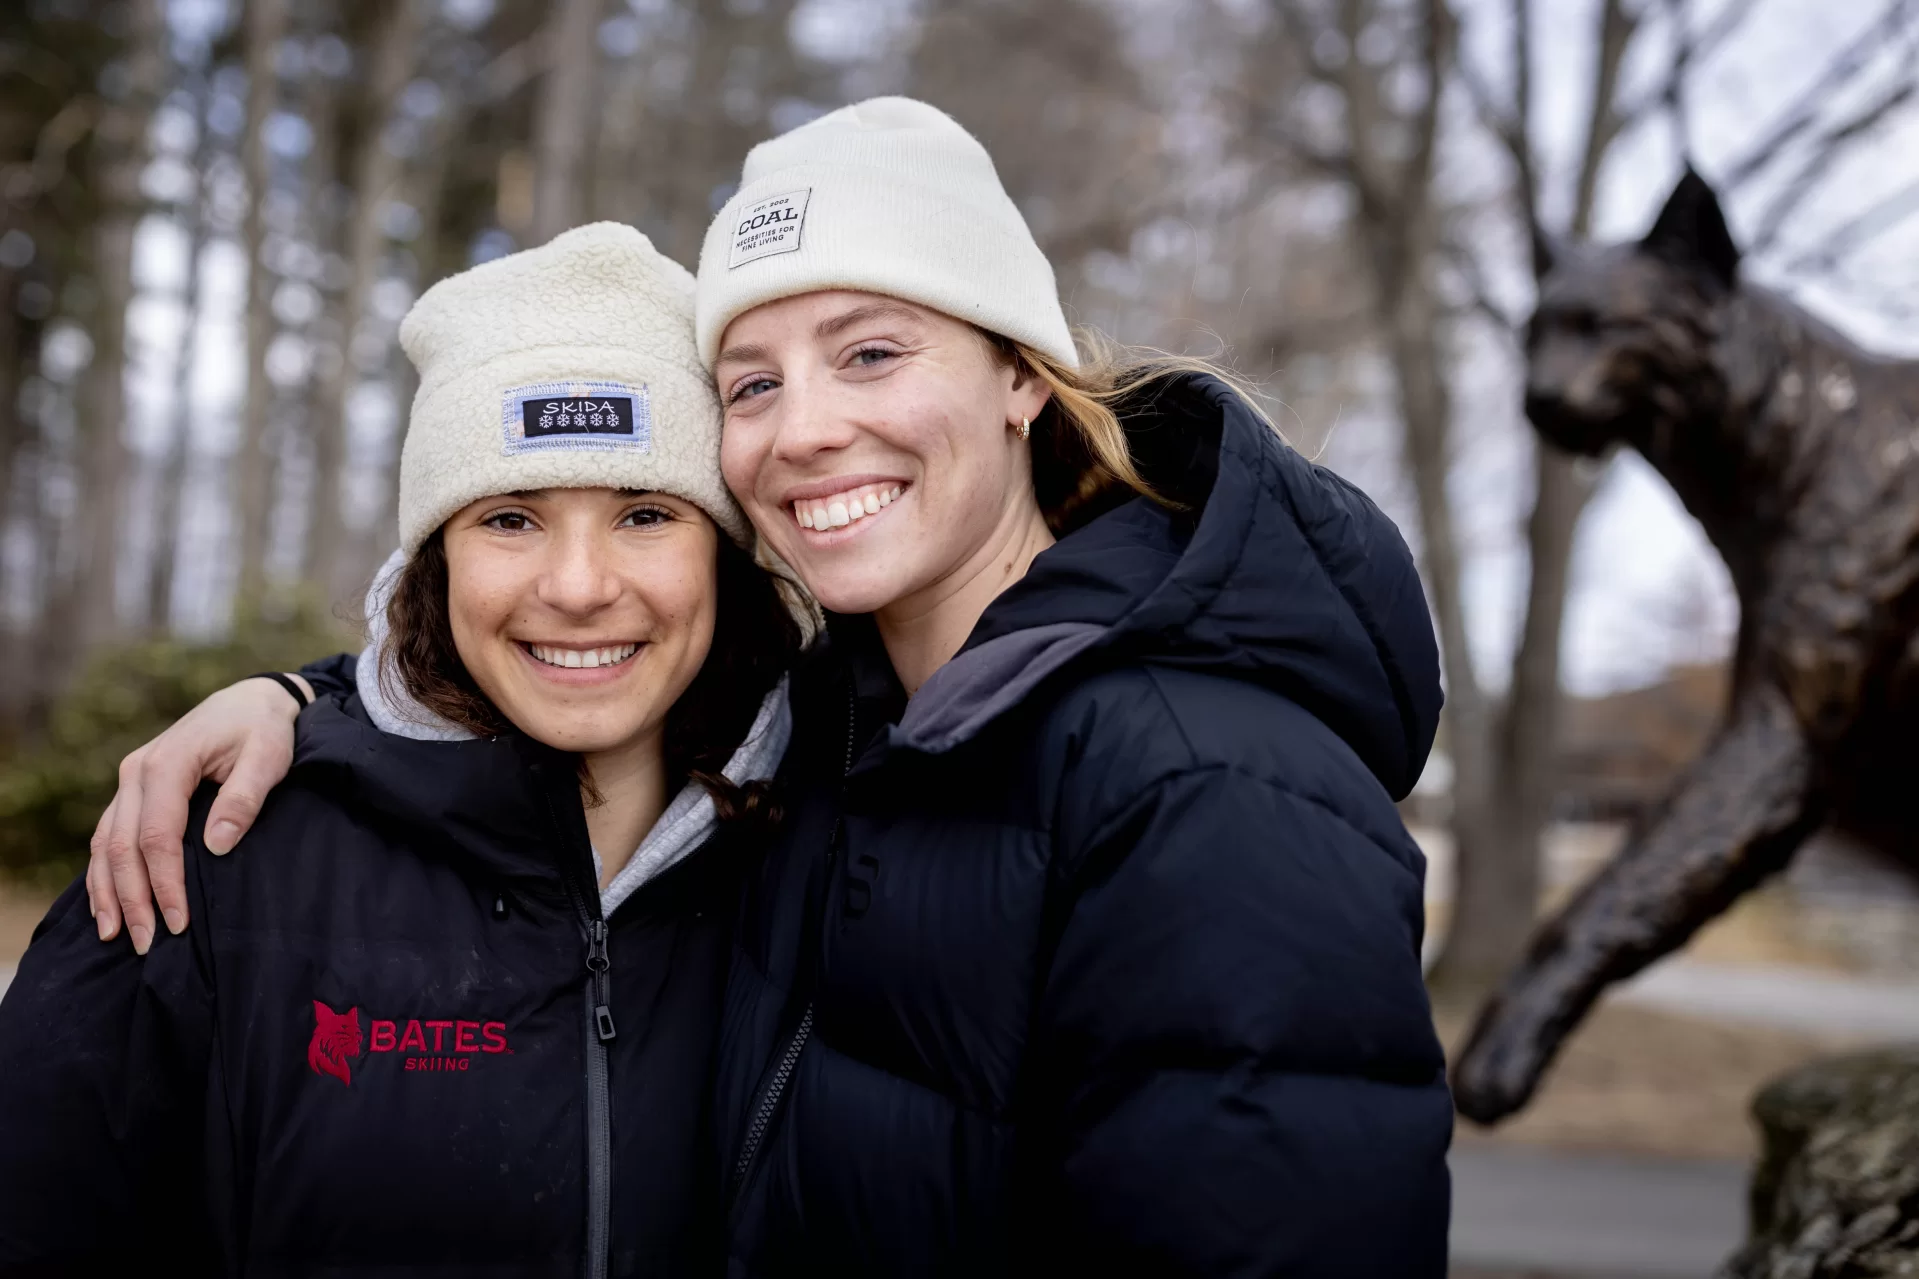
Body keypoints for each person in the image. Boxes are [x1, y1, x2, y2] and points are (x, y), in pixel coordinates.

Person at [84, 99, 1453, 1274]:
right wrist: (306, 697)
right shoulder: (828, 750)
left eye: (870, 352)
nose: (803, 429)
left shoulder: (1203, 784)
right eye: (750, 381)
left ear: (1020, 379)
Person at [0, 224, 803, 1275]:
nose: (575, 585)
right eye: (511, 519)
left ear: (724, 555)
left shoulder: (828, 848)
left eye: (644, 513)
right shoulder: (209, 860)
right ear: (434, 564)